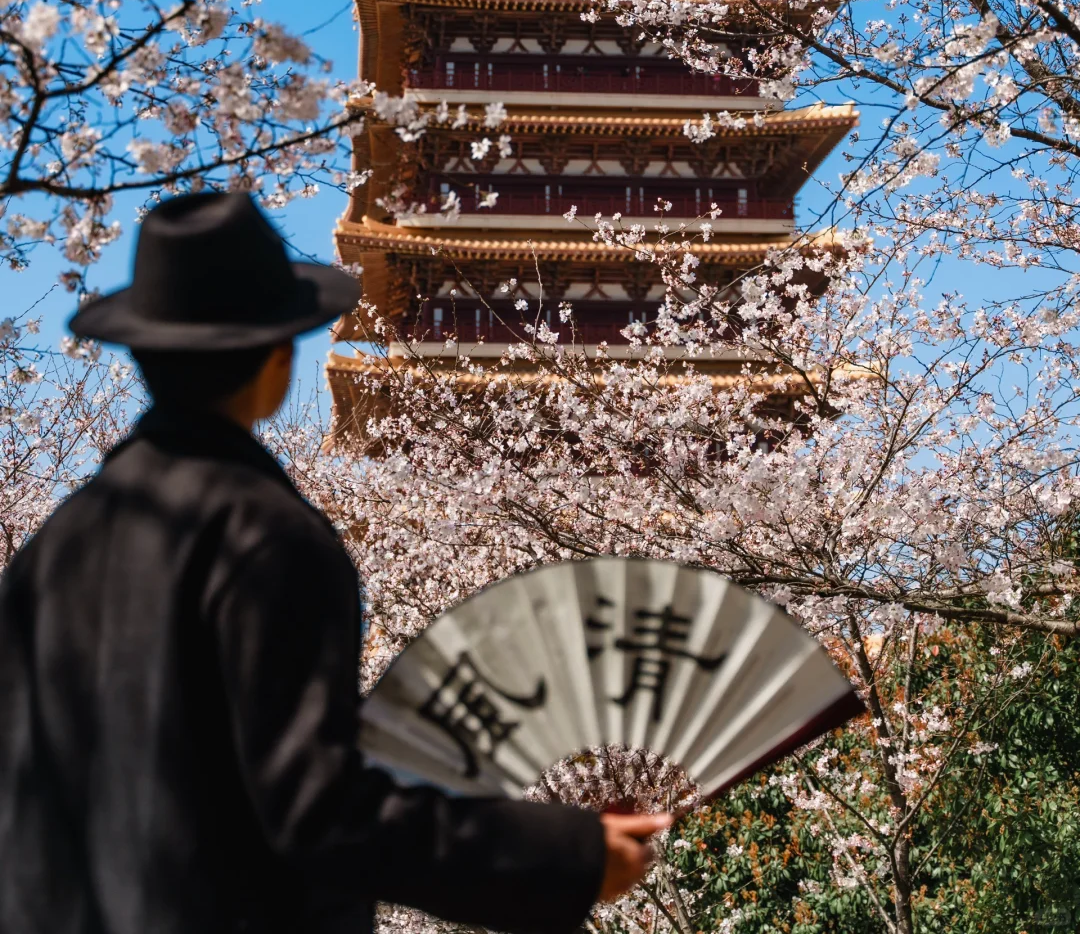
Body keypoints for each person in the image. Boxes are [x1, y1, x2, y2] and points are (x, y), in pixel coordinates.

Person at [0, 192, 668, 934]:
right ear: (279, 356)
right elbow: (316, 808)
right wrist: (565, 855)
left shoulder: (51, 549)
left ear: (148, 356)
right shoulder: (264, 535)